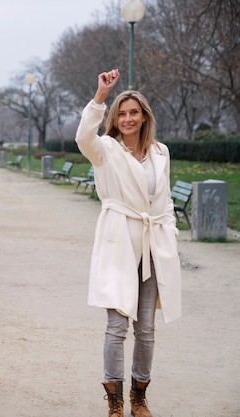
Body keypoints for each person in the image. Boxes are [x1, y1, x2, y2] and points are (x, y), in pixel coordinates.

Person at [75, 69, 182, 417]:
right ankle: (115, 400)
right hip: (119, 241)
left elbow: (163, 200)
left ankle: (139, 396)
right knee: (117, 326)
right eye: (121, 113)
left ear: (144, 116)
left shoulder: (160, 152)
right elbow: (82, 137)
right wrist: (101, 96)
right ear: (114, 119)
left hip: (153, 244)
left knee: (147, 329)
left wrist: (170, 229)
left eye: (133, 112)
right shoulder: (105, 150)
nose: (127, 118)